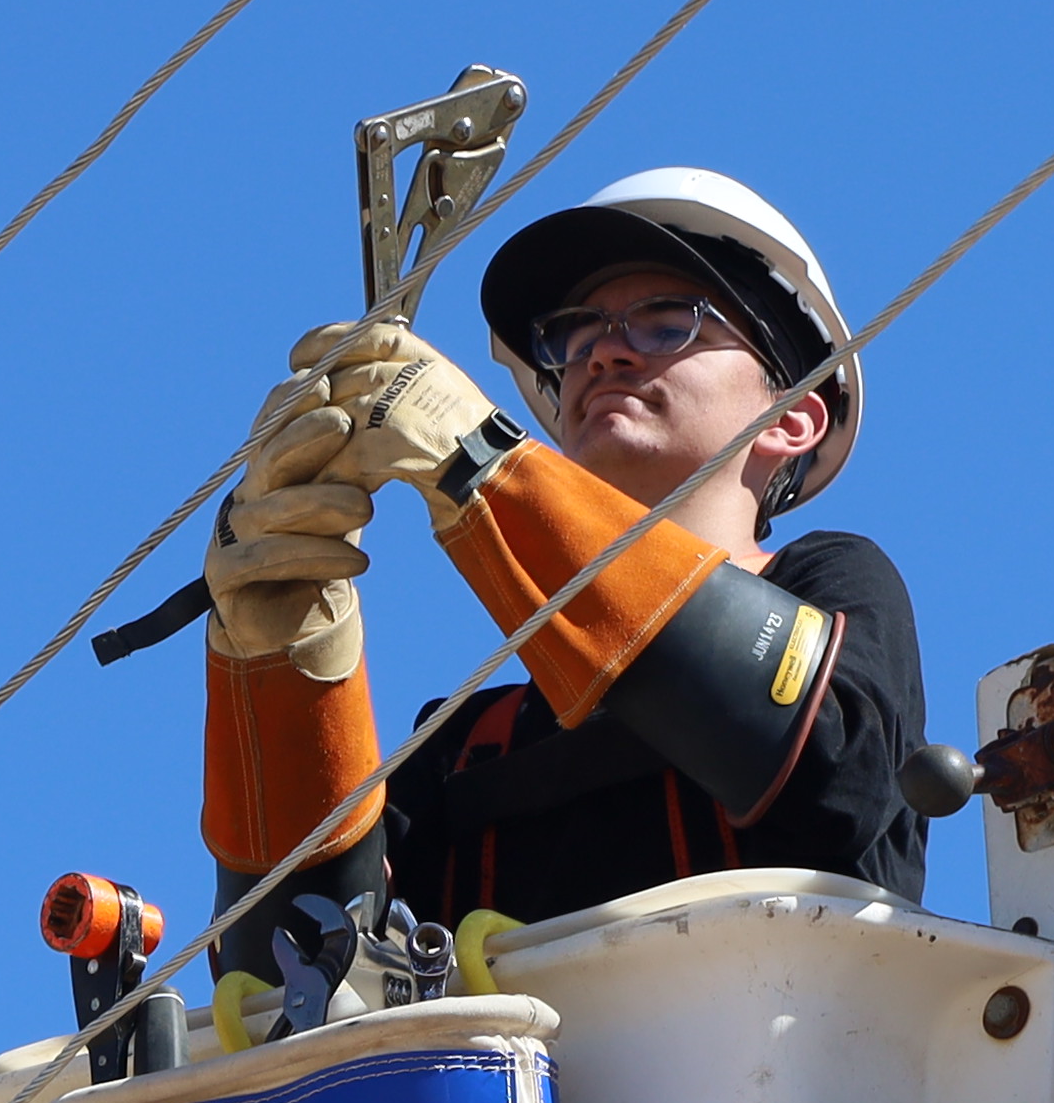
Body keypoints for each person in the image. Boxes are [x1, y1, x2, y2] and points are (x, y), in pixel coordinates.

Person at [195, 165, 930, 961]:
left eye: (665, 322)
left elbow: (832, 773)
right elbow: (296, 972)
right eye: (576, 334)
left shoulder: (835, 586)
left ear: (794, 418)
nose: (601, 354)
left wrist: (481, 465)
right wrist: (282, 665)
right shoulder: (471, 743)